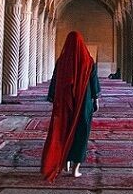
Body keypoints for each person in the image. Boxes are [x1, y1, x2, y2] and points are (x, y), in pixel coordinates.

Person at [40, 31, 100, 182]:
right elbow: (94, 84)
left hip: (65, 103)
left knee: (64, 129)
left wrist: (53, 97)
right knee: (81, 132)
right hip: (83, 103)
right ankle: (76, 169)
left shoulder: (62, 61)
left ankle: (65, 162)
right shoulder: (88, 61)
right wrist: (95, 100)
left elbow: (55, 80)